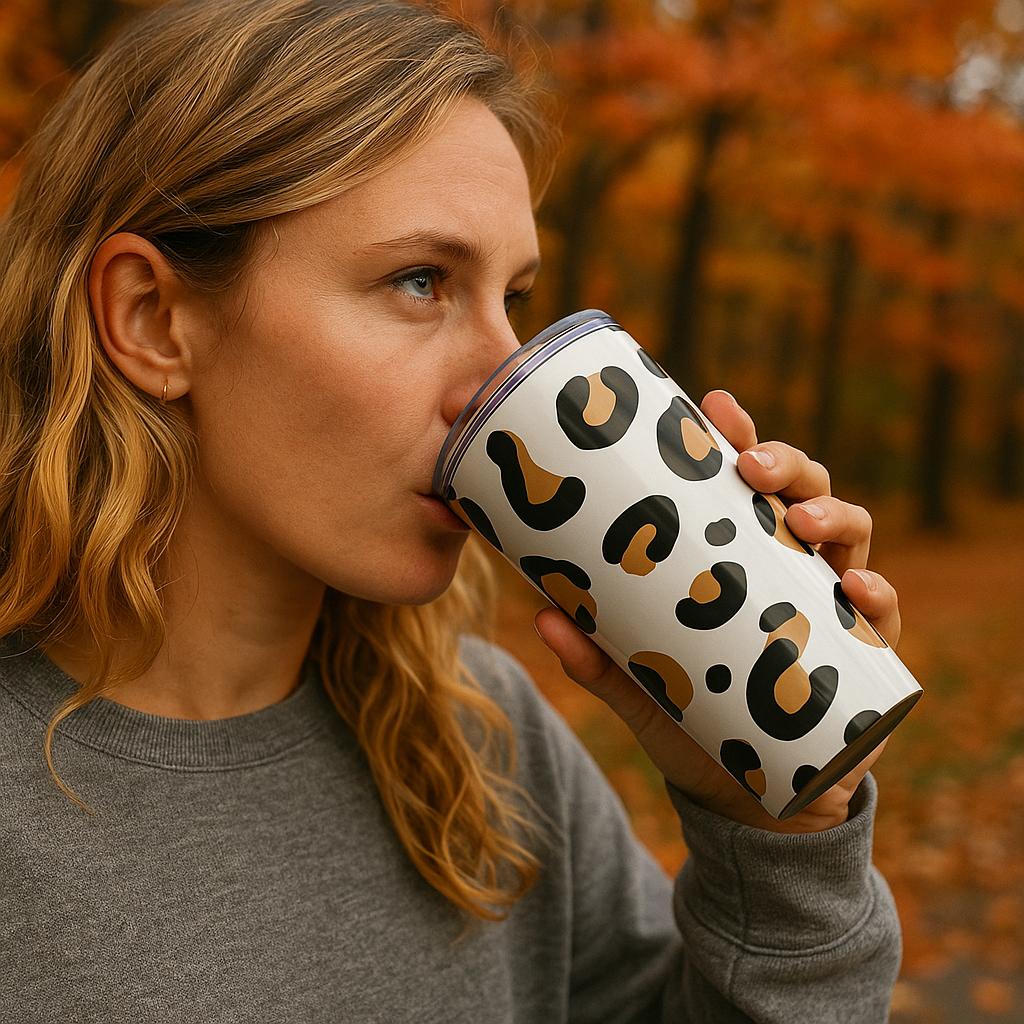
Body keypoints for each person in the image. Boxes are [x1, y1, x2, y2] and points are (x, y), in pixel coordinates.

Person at [0, 0, 903, 1020]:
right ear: (153, 319)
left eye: (512, 298)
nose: (499, 378)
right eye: (419, 281)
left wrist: (775, 835)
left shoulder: (480, 742)